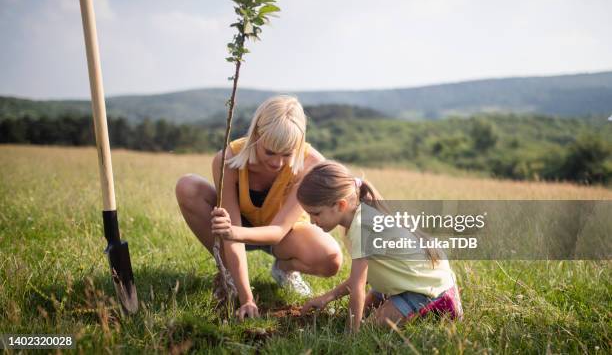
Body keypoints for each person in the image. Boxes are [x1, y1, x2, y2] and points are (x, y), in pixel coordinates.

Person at [176, 95, 342, 320]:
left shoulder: (312, 165)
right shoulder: (229, 159)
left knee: (331, 259)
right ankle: (229, 274)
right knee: (188, 186)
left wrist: (233, 232)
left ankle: (284, 270)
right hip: (238, 227)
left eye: (287, 154)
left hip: (283, 234)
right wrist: (247, 299)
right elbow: (231, 229)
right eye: (270, 152)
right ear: (256, 136)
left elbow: (278, 231)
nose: (276, 163)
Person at [297, 161, 463, 332]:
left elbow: (358, 288)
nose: (311, 221)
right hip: (397, 279)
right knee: (366, 313)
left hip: (422, 287)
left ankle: (445, 299)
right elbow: (364, 277)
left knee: (370, 329)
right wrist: (328, 297)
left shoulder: (363, 227)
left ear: (340, 205)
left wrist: (351, 335)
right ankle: (395, 300)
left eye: (315, 213)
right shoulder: (354, 220)